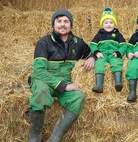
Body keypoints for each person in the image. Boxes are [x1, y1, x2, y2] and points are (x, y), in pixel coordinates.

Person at [28, 9, 95, 142]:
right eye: (59, 21)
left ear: (71, 25)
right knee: (41, 92)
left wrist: (92, 57)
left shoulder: (78, 43)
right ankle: (34, 138)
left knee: (79, 97)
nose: (62, 24)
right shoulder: (44, 42)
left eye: (66, 21)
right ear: (53, 24)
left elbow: (92, 52)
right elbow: (39, 71)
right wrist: (64, 86)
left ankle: (54, 139)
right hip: (44, 80)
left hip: (64, 82)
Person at [90, 8, 127, 93]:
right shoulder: (99, 35)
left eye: (111, 22)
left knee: (117, 63)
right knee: (99, 64)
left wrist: (119, 53)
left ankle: (118, 83)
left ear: (114, 24)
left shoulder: (117, 34)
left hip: (113, 54)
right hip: (102, 55)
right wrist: (96, 52)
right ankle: (99, 85)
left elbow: (124, 45)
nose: (109, 25)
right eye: (106, 23)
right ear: (102, 24)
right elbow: (93, 44)